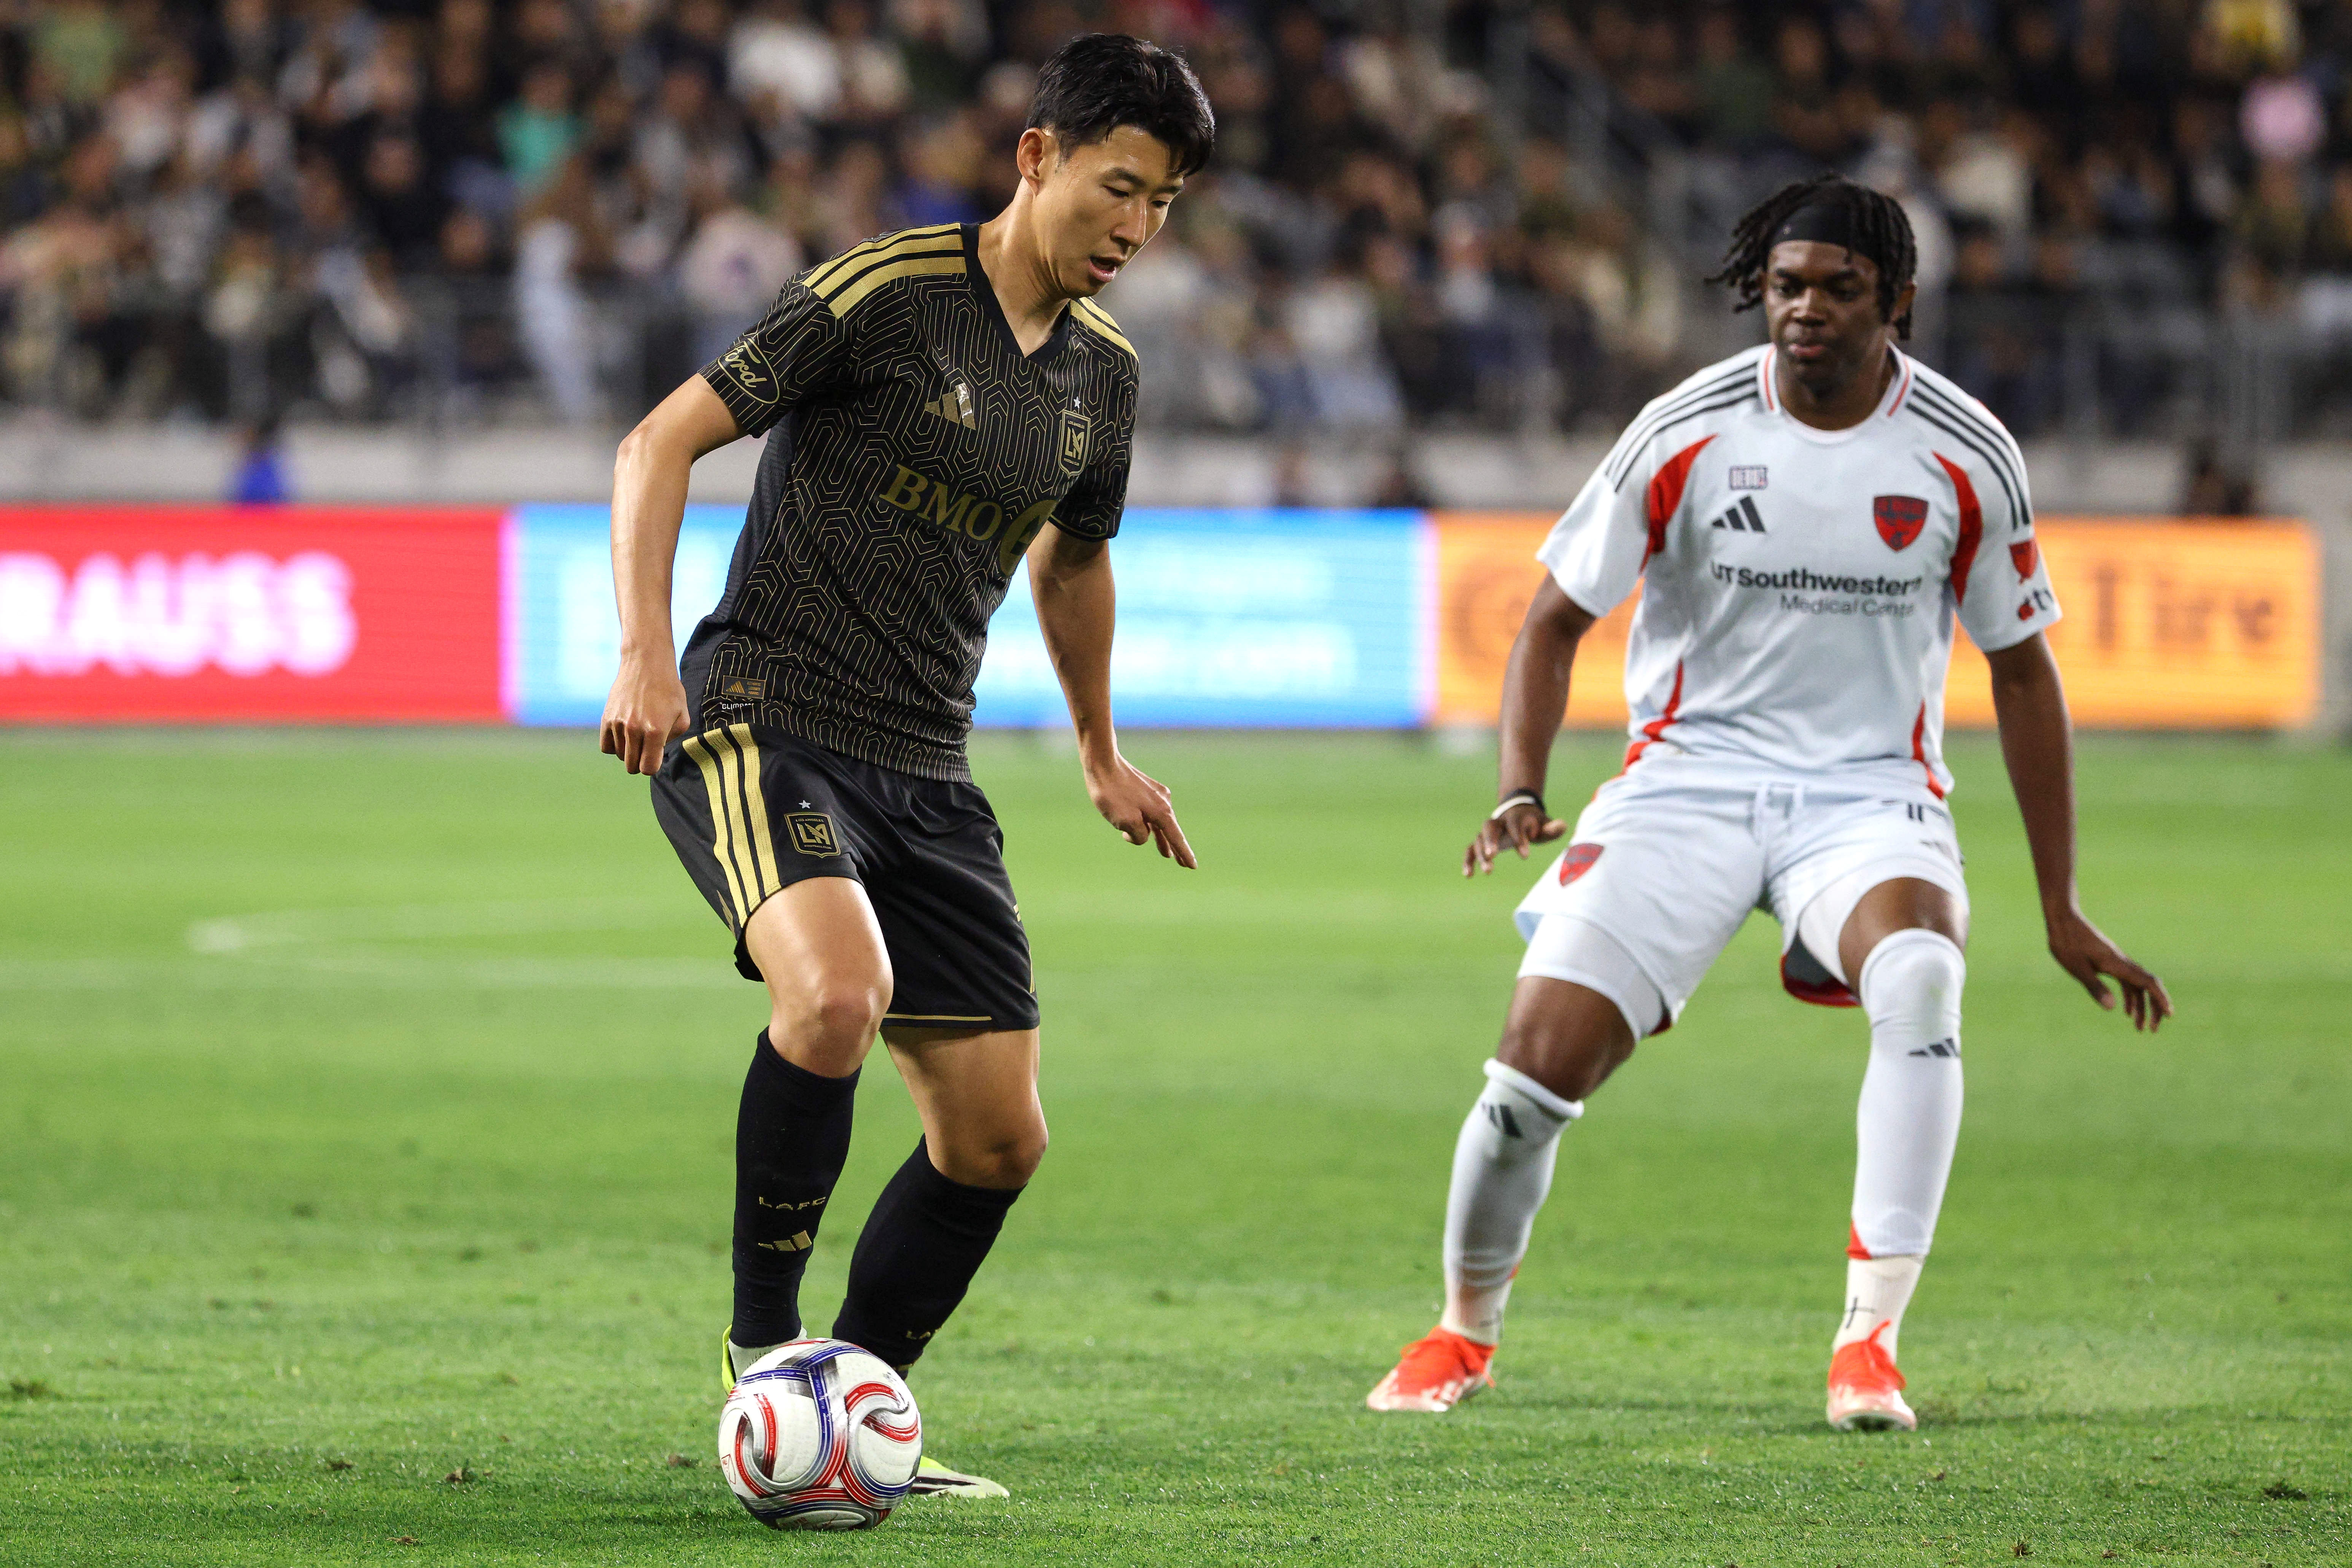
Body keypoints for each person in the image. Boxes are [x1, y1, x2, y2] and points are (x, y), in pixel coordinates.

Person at [1365, 174, 2172, 1429]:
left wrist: (2062, 905)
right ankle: (1461, 1332)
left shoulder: (1966, 452)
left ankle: (1871, 1344)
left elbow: (2024, 672)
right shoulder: (1685, 428)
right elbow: (1552, 620)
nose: (1804, 310)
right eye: (1787, 286)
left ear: (1895, 300)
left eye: (1838, 289)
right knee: (1528, 1078)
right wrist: (1522, 787)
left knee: (1918, 977)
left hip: (1871, 794)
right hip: (1685, 781)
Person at [598, 33, 1213, 1496]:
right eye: (1118, 190)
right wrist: (643, 655)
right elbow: (658, 443)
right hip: (762, 714)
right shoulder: (888, 293)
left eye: (1165, 207)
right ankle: (766, 1369)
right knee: (835, 993)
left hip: (927, 766)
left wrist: (1099, 747)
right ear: (1037, 156)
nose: (1135, 230)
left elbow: (1075, 563)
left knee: (999, 1138)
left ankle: (851, 1411)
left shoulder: (1103, 379)